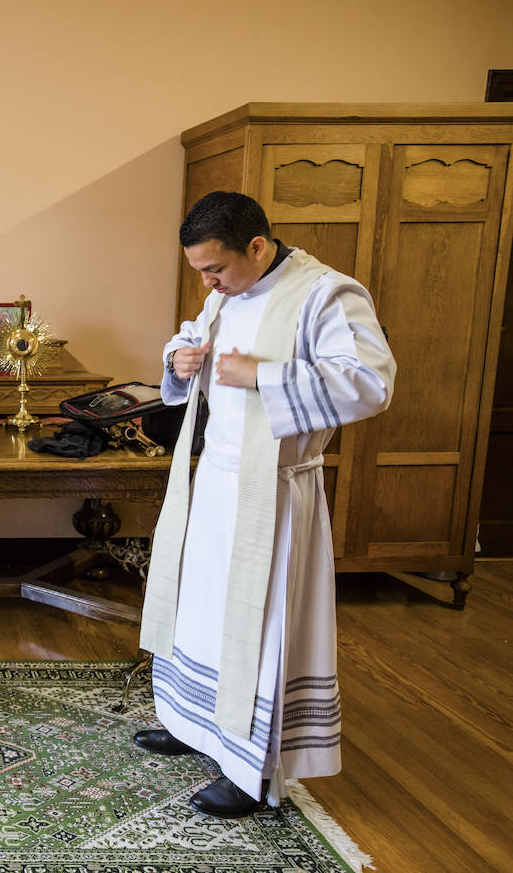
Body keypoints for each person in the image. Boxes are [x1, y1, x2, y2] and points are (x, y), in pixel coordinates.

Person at [135, 191, 396, 817]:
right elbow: (194, 338)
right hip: (218, 482)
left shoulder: (327, 293)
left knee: (260, 624)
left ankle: (249, 766)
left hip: (277, 491)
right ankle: (193, 723)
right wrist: (180, 357)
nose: (208, 283)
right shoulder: (224, 292)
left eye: (215, 268)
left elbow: (372, 383)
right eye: (201, 271)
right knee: (200, 610)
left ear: (256, 246)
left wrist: (265, 375)